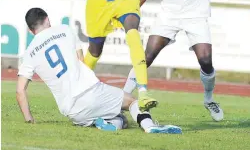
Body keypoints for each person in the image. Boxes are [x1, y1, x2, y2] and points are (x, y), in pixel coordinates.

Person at [16, 8, 182, 134]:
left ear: (31, 31)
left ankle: (104, 124)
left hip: (74, 112)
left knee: (121, 120)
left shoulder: (29, 53)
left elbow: (20, 91)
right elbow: (82, 62)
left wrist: (29, 120)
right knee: (131, 101)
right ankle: (150, 127)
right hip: (90, 92)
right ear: (48, 20)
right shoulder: (64, 30)